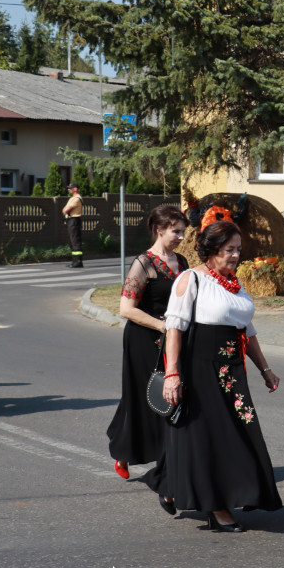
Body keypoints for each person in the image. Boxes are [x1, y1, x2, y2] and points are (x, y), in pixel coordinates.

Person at [147, 219, 282, 532]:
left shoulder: (234, 283)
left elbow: (247, 330)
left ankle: (171, 483)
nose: (235, 256)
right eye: (228, 250)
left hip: (233, 370)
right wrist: (173, 374)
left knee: (242, 432)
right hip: (200, 369)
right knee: (211, 438)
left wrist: (265, 369)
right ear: (210, 250)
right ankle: (216, 506)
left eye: (238, 250)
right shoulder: (190, 280)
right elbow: (175, 329)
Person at [106, 204, 189, 483]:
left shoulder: (183, 262)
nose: (181, 236)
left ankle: (170, 457)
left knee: (175, 397)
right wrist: (162, 325)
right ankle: (124, 450)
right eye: (175, 231)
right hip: (144, 338)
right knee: (145, 398)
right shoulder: (144, 263)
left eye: (183, 232)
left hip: (175, 339)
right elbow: (126, 309)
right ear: (159, 229)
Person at [61, 181, 84, 268]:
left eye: (71, 188)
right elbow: (64, 210)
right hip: (70, 220)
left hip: (74, 220)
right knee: (71, 241)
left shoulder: (77, 199)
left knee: (75, 241)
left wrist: (65, 210)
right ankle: (74, 261)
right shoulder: (72, 198)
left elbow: (66, 210)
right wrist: (65, 210)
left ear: (75, 189)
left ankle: (78, 261)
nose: (69, 189)